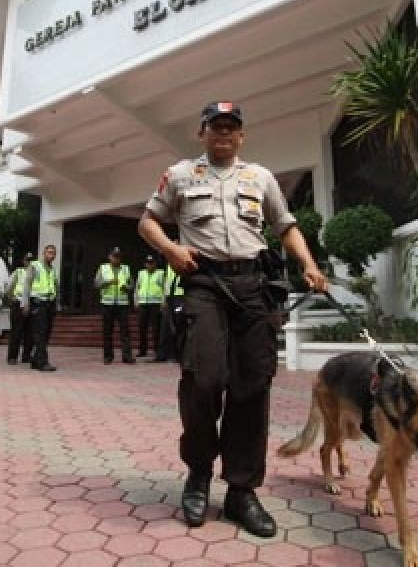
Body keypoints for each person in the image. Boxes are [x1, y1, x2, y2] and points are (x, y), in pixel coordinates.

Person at [138, 101, 327, 538]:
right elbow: (148, 222)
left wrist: (309, 265)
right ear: (201, 132)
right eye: (215, 126)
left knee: (252, 385)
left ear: (241, 135)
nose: (224, 133)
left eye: (231, 127)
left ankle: (242, 490)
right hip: (203, 283)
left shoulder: (259, 177)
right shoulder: (182, 174)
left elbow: (286, 226)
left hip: (251, 287)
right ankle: (199, 473)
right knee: (203, 379)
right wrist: (171, 250)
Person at [95, 246, 135, 364]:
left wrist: (126, 288)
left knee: (125, 332)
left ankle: (127, 357)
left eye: (118, 257)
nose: (116, 259)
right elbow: (96, 284)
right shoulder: (103, 268)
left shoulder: (126, 269)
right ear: (109, 257)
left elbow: (132, 285)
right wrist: (108, 282)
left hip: (122, 304)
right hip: (107, 303)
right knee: (107, 331)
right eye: (114, 256)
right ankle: (108, 357)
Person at [23, 245, 59, 371]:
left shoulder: (52, 269)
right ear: (43, 253)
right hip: (38, 303)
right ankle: (43, 362)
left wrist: (56, 304)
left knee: (46, 332)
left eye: (54, 253)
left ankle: (35, 360)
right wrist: (25, 303)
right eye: (49, 252)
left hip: (49, 304)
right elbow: (27, 284)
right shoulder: (35, 266)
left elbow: (55, 287)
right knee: (41, 333)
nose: (52, 255)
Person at [4, 252, 35, 365]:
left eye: (31, 260)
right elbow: (9, 287)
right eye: (27, 260)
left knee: (30, 333)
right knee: (16, 331)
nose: (29, 262)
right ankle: (12, 357)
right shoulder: (18, 272)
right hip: (18, 303)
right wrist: (12, 298)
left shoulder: (37, 274)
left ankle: (26, 356)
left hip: (32, 304)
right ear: (24, 261)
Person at [134, 254, 165, 359]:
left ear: (155, 264)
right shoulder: (141, 273)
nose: (149, 265)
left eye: (152, 263)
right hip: (143, 303)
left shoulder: (160, 273)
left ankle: (157, 350)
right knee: (142, 328)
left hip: (155, 304)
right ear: (145, 264)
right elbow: (137, 288)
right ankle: (142, 351)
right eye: (148, 263)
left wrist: (163, 302)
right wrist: (136, 301)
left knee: (156, 329)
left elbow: (165, 289)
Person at [154, 259, 185, 363]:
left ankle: (178, 355)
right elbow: (166, 283)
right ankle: (162, 355)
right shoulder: (168, 263)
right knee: (165, 326)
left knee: (179, 325)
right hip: (169, 297)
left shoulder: (183, 259)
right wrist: (163, 299)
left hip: (180, 296)